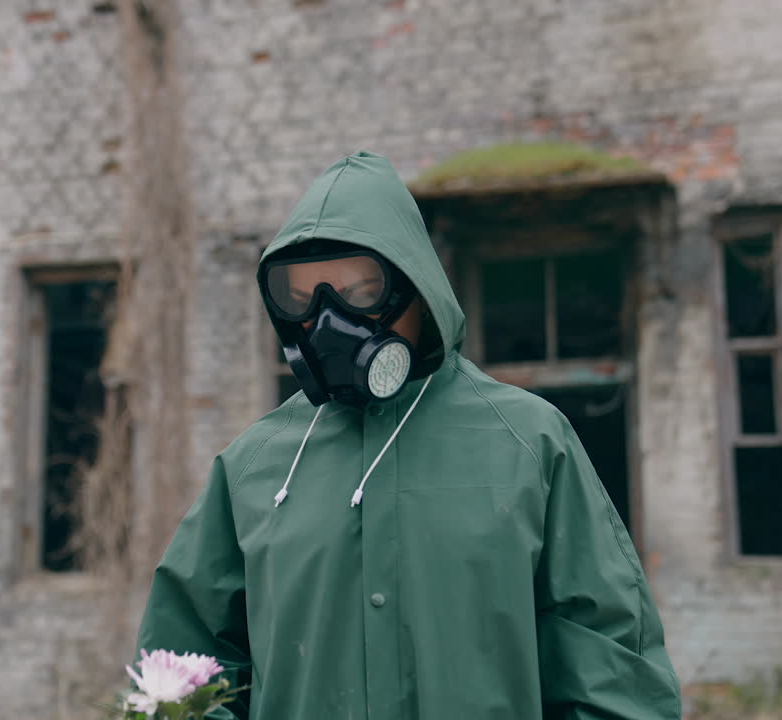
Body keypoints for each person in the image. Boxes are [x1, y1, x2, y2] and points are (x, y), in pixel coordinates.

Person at [135, 151, 681, 719]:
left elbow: (617, 679)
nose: (329, 320)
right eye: (303, 298)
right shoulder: (254, 467)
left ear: (416, 288)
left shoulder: (529, 444)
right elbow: (178, 678)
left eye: (359, 290)